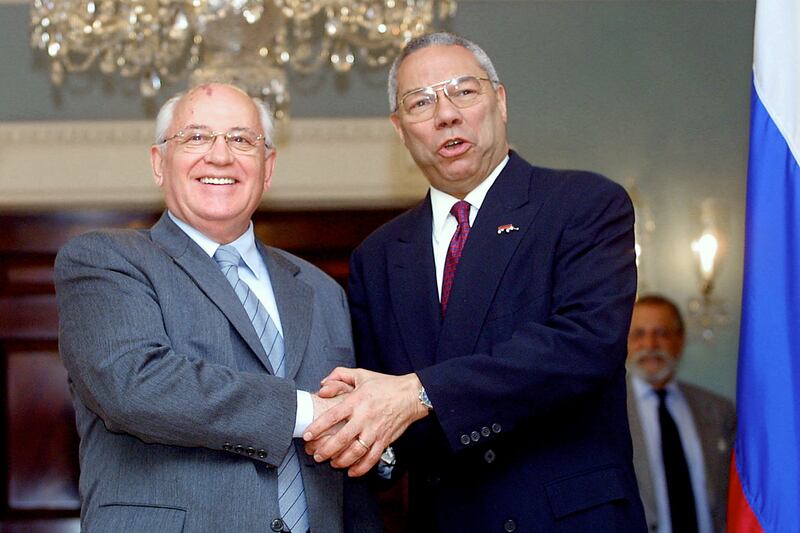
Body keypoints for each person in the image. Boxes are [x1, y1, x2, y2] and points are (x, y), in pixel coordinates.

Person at [303, 32, 648, 532]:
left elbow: (583, 346)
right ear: (400, 129)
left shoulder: (583, 205)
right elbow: (382, 405)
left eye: (464, 91)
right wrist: (368, 442)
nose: (446, 114)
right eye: (421, 102)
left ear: (500, 101)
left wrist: (419, 394)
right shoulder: (378, 256)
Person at [54, 83, 381, 533]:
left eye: (242, 139)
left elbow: (351, 436)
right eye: (196, 137)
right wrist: (307, 412)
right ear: (158, 163)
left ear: (267, 168)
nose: (220, 156)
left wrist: (371, 434)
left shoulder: (322, 290)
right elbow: (134, 386)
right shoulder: (105, 261)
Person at [626, 295, 736, 533]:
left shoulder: (719, 411)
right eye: (639, 334)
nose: (650, 345)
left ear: (680, 341)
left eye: (661, 333)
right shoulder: (606, 415)